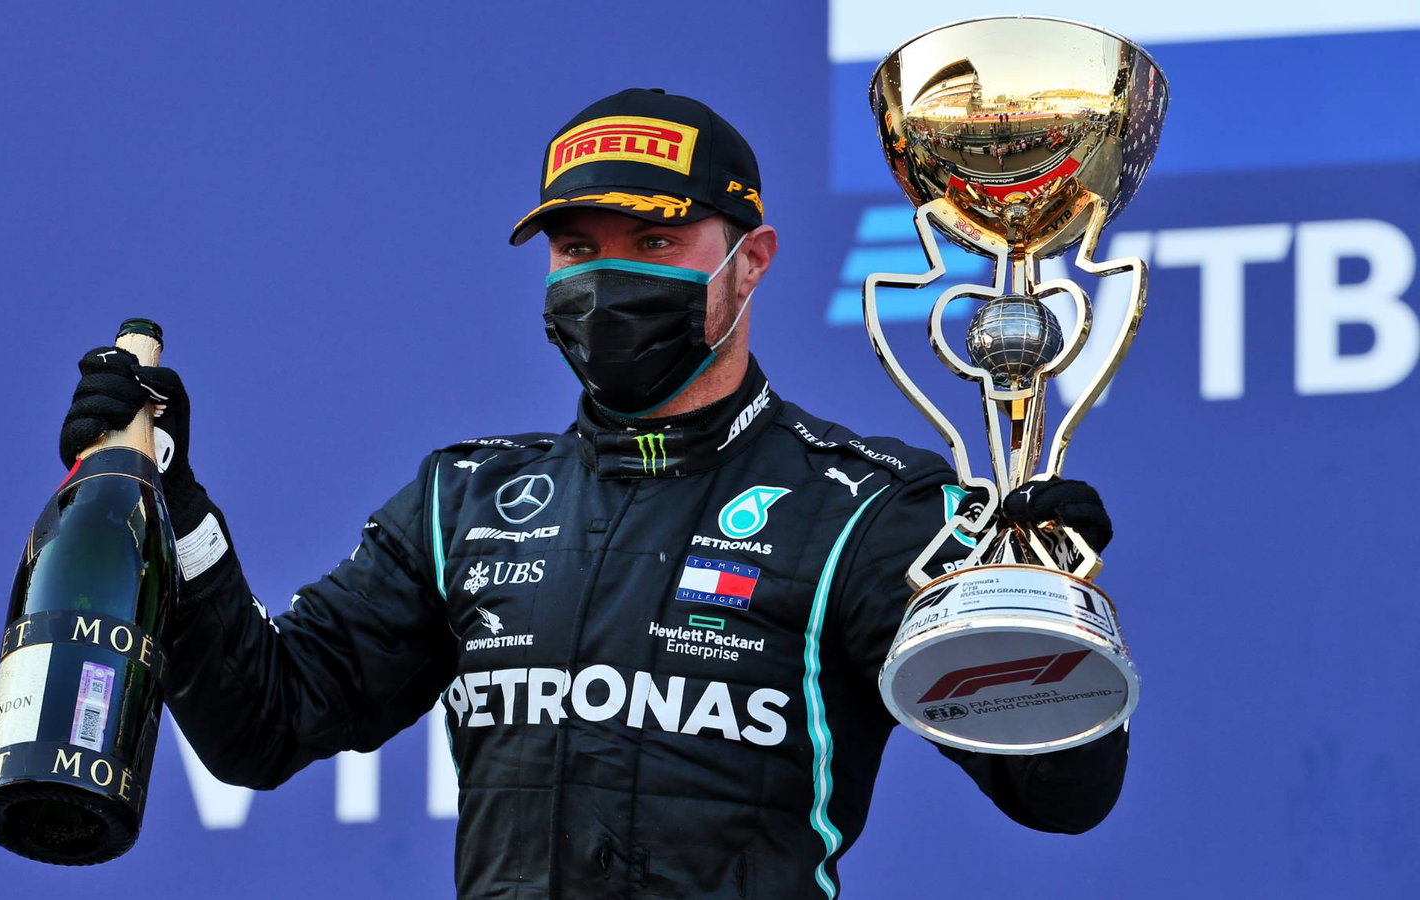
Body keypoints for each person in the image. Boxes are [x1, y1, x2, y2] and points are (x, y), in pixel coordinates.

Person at [61, 88, 1127, 899]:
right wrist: (174, 508)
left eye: (655, 243)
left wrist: (1043, 608)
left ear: (750, 260)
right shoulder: (464, 502)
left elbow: (1061, 797)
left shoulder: (861, 508)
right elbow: (262, 724)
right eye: (578, 249)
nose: (607, 280)